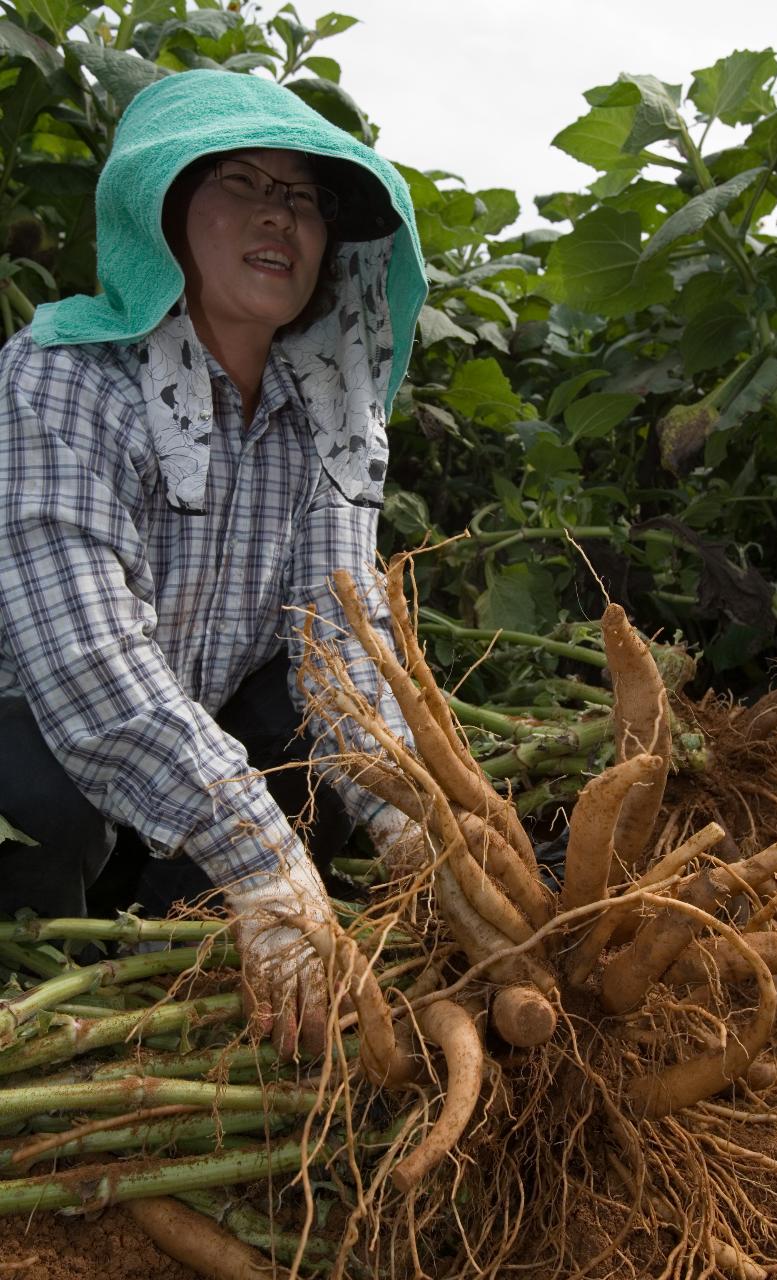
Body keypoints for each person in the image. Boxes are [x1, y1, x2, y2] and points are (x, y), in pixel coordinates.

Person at [0, 69, 428, 1058]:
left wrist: (418, 826)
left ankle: (171, 979)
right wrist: (265, 859)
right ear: (161, 211)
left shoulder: (319, 411)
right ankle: (40, 991)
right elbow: (90, 672)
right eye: (239, 182)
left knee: (307, 715)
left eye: (304, 198)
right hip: (42, 739)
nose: (279, 217)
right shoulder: (61, 374)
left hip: (179, 761)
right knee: (40, 791)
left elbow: (341, 639)